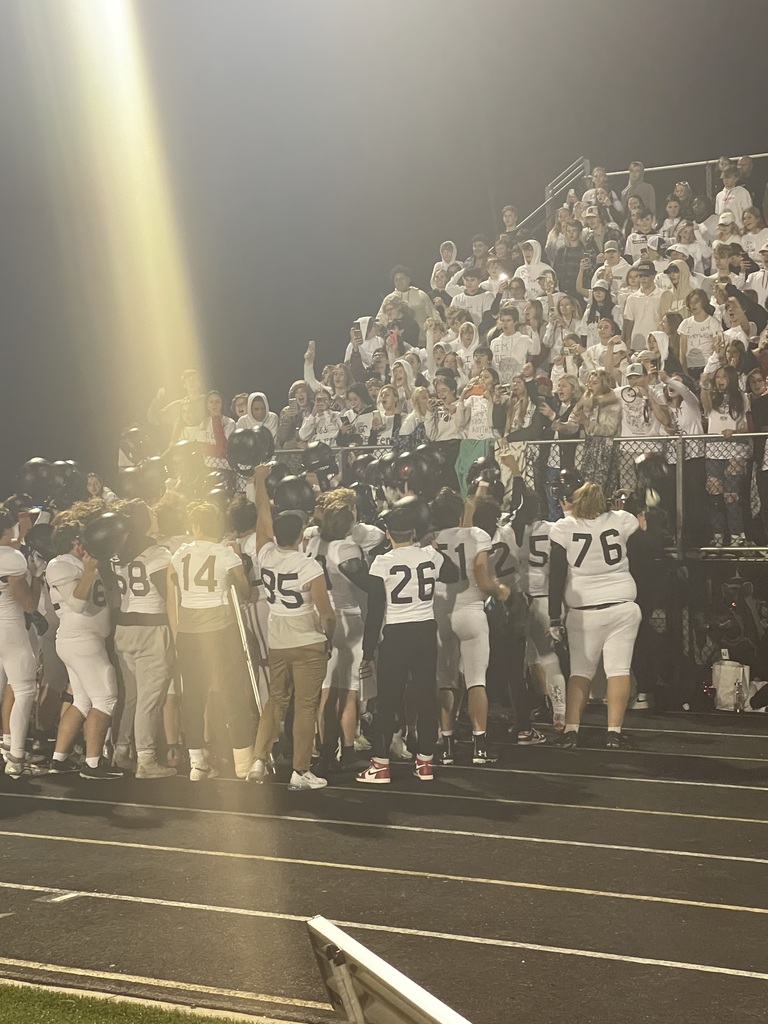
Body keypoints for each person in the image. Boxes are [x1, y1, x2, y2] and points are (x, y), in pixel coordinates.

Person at [356, 499, 457, 785]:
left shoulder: (382, 561)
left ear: (388, 533)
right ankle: (425, 762)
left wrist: (367, 650)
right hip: (425, 631)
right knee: (426, 697)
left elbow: (375, 611)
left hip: (397, 634)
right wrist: (436, 553)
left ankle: (380, 764)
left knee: (388, 701)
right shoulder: (429, 555)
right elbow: (452, 574)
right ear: (413, 531)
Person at [248, 464, 335, 791]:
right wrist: (330, 640)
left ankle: (259, 759)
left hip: (278, 639)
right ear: (300, 536)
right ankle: (300, 770)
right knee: (306, 707)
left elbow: (262, 517)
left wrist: (258, 481)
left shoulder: (265, 555)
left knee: (276, 701)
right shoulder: (308, 565)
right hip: (308, 640)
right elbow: (326, 614)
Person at [549, 482, 642, 748]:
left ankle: (571, 731)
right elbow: (639, 536)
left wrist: (554, 616)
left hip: (584, 609)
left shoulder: (564, 527)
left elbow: (555, 576)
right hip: (622, 603)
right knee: (618, 670)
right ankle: (613, 732)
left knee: (580, 671)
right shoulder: (622, 519)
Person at [167, 501, 255, 781]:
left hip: (189, 631)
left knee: (193, 695)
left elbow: (174, 581)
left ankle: (197, 762)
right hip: (220, 629)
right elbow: (245, 591)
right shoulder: (225, 553)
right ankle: (243, 760)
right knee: (233, 691)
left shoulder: (179, 554)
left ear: (194, 526)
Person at [431, 488, 509, 765]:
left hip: (439, 611)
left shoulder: (430, 540)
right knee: (476, 680)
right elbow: (481, 576)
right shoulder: (478, 535)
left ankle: (448, 744)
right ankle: (479, 745)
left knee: (445, 680)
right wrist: (499, 590)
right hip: (471, 611)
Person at [306, 489, 377, 772]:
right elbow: (366, 583)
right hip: (347, 619)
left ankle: (323, 748)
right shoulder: (344, 549)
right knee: (348, 690)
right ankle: (346, 749)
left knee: (324, 690)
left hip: (318, 617)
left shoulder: (311, 542)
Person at [46, 522, 121, 780]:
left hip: (83, 639)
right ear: (75, 543)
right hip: (80, 640)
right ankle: (92, 765)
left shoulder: (76, 563)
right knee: (106, 699)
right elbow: (77, 603)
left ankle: (59, 758)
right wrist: (89, 570)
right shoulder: (60, 564)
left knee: (82, 700)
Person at [110, 501, 177, 779]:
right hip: (151, 629)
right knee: (149, 699)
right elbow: (169, 598)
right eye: (150, 513)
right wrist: (178, 635)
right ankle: (146, 759)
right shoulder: (158, 554)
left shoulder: (116, 554)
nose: (155, 515)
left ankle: (122, 751)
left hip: (124, 629)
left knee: (133, 697)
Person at [0, 508, 43, 778]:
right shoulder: (11, 557)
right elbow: (24, 599)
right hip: (9, 627)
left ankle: (6, 746)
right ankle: (16, 757)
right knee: (25, 691)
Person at [700, 364, 750, 547]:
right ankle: (718, 535)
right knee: (715, 494)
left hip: (735, 449)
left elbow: (746, 425)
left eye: (724, 377)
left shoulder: (742, 397)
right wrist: (706, 382)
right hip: (714, 450)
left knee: (731, 495)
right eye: (718, 377)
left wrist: (735, 431)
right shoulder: (712, 396)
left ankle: (737, 535)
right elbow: (705, 403)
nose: (721, 380)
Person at [376, 266, 436, 342]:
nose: (399, 282)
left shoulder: (421, 295)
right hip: (398, 342)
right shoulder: (389, 299)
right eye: (396, 280)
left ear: (408, 279)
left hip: (423, 340)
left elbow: (434, 315)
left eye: (402, 278)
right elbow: (380, 320)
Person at [622, 260, 665, 351]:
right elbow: (628, 324)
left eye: (646, 276)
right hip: (636, 345)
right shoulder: (631, 298)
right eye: (640, 276)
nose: (643, 279)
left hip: (657, 345)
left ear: (654, 276)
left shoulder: (663, 296)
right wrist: (627, 346)